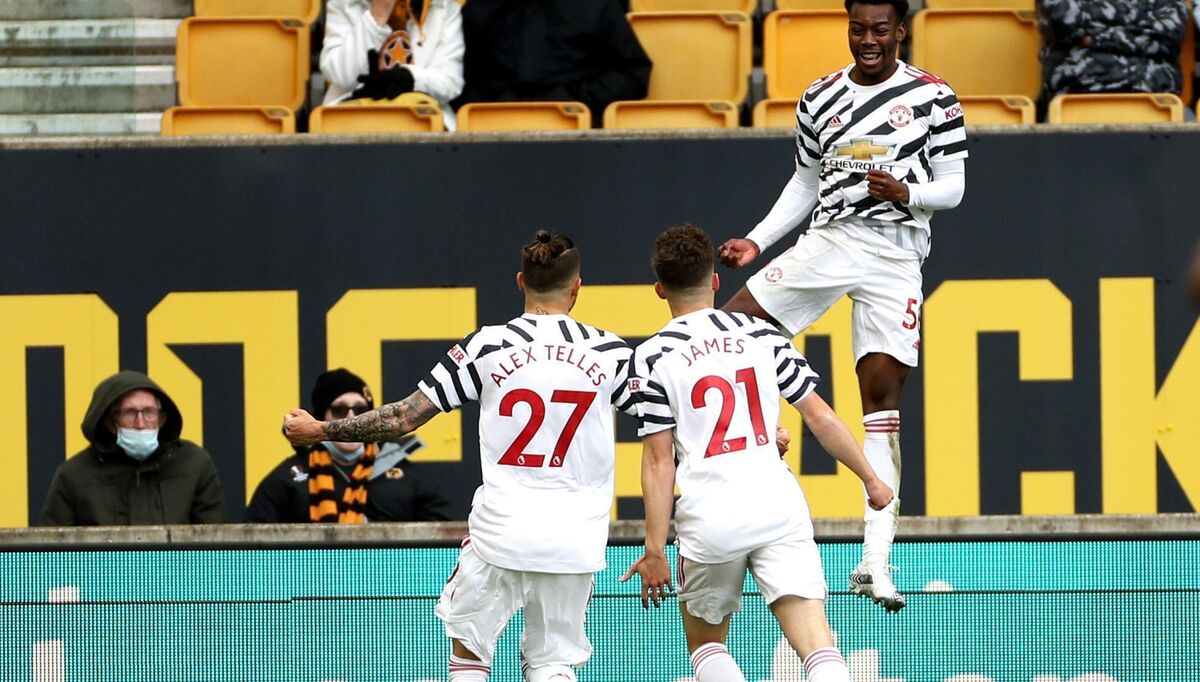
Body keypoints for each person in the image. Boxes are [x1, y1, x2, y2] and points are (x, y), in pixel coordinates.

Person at [283, 231, 637, 682]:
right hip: (575, 537)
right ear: (577, 287)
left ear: (520, 282)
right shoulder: (611, 352)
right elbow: (662, 427)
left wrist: (320, 430)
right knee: (551, 663)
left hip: (501, 534)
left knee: (469, 660)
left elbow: (404, 418)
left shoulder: (486, 346)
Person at [717, 0, 966, 612]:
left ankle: (877, 558)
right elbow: (805, 180)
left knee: (880, 396)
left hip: (895, 253)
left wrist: (909, 191)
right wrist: (758, 237)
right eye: (858, 29)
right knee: (739, 326)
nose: (868, 40)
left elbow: (955, 186)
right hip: (830, 239)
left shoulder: (936, 97)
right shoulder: (820, 97)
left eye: (880, 29)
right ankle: (758, 476)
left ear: (901, 30)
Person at [621, 225, 893, 682]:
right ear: (714, 280)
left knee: (707, 646)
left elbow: (657, 461)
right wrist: (871, 479)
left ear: (660, 289)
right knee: (817, 646)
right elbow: (820, 417)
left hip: (710, 515)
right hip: (776, 504)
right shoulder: (761, 335)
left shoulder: (651, 357)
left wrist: (654, 548)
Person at [246, 368, 450, 523]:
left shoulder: (409, 477)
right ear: (319, 418)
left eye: (361, 410)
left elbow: (443, 545)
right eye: (339, 410)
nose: (351, 419)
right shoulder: (286, 480)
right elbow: (254, 549)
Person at [40, 370, 225, 526]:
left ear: (162, 419)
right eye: (130, 413)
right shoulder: (73, 475)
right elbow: (51, 557)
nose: (140, 423)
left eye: (149, 412)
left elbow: (218, 548)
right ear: (109, 421)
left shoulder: (194, 464)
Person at [451, 0, 652, 123]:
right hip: (492, 130)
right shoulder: (480, 8)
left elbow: (634, 73)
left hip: (578, 131)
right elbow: (459, 80)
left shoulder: (596, 5)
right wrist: (499, 104)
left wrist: (574, 98)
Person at [320, 0, 465, 129]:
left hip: (421, 119)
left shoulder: (445, 7)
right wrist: (376, 18)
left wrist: (411, 78)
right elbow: (339, 74)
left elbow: (451, 82)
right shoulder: (342, 3)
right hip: (353, 117)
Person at [1038, 0, 1188, 110]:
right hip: (1077, 95)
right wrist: (1135, 22)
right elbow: (1064, 18)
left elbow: (1169, 33)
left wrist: (1095, 38)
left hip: (1156, 99)